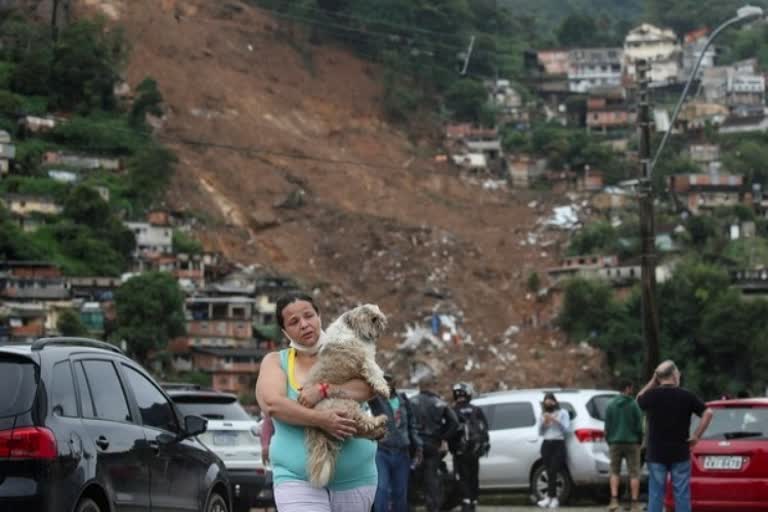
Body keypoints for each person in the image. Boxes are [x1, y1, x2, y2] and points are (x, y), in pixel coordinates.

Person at [255, 293, 379, 512]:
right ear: (285, 332)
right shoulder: (276, 361)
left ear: (319, 316)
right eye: (294, 322)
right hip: (297, 479)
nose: (304, 324)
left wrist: (325, 389)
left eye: (308, 316)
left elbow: (370, 387)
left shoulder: (346, 351)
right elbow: (273, 404)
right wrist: (321, 420)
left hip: (355, 477)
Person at [637, 360, 714, 512]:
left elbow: (639, 398)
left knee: (656, 494)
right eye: (678, 372)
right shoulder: (687, 396)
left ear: (659, 377)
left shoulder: (651, 396)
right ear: (674, 375)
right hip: (680, 452)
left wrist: (654, 380)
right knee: (682, 494)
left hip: (656, 454)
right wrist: (696, 436)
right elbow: (708, 413)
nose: (679, 375)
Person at [368, 373, 423, 512]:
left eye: (389, 380)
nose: (387, 383)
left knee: (400, 492)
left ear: (395, 383)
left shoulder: (403, 399)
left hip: (402, 453)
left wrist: (418, 446)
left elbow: (412, 424)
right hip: (382, 452)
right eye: (384, 381)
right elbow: (367, 391)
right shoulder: (376, 399)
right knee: (382, 489)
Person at [410, 374, 460, 512]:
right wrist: (443, 437)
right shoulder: (440, 403)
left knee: (413, 478)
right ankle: (433, 507)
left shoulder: (410, 402)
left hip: (415, 447)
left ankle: (411, 506)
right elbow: (454, 423)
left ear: (420, 386)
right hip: (433, 446)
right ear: (432, 386)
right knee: (431, 479)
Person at [449, 382, 490, 512]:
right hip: (475, 451)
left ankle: (466, 501)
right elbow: (485, 431)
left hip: (460, 452)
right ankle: (473, 500)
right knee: (473, 475)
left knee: (462, 476)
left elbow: (449, 431)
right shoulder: (476, 410)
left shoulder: (452, 411)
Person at [604, 380, 644, 512]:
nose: (632, 391)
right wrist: (639, 440)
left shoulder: (610, 405)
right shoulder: (634, 405)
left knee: (614, 471)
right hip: (632, 443)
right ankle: (634, 503)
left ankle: (614, 501)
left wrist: (610, 440)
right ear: (627, 388)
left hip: (615, 442)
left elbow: (607, 427)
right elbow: (639, 426)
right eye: (631, 388)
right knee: (634, 473)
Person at [537, 392, 570, 509]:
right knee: (548, 470)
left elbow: (566, 430)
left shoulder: (563, 413)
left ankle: (554, 498)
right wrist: (544, 423)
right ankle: (549, 498)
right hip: (546, 444)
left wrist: (555, 421)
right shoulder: (543, 414)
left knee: (554, 470)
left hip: (558, 443)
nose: (549, 403)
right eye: (546, 401)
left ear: (555, 402)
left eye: (551, 400)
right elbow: (540, 432)